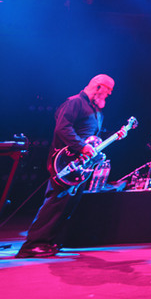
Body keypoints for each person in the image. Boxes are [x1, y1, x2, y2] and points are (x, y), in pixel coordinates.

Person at [18, 74, 115, 258]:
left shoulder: (94, 110)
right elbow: (62, 128)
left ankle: (49, 241)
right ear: (98, 87)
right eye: (108, 90)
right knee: (55, 202)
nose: (109, 94)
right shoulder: (75, 102)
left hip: (80, 166)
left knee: (66, 204)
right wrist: (81, 146)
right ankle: (33, 245)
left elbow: (89, 136)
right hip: (64, 163)